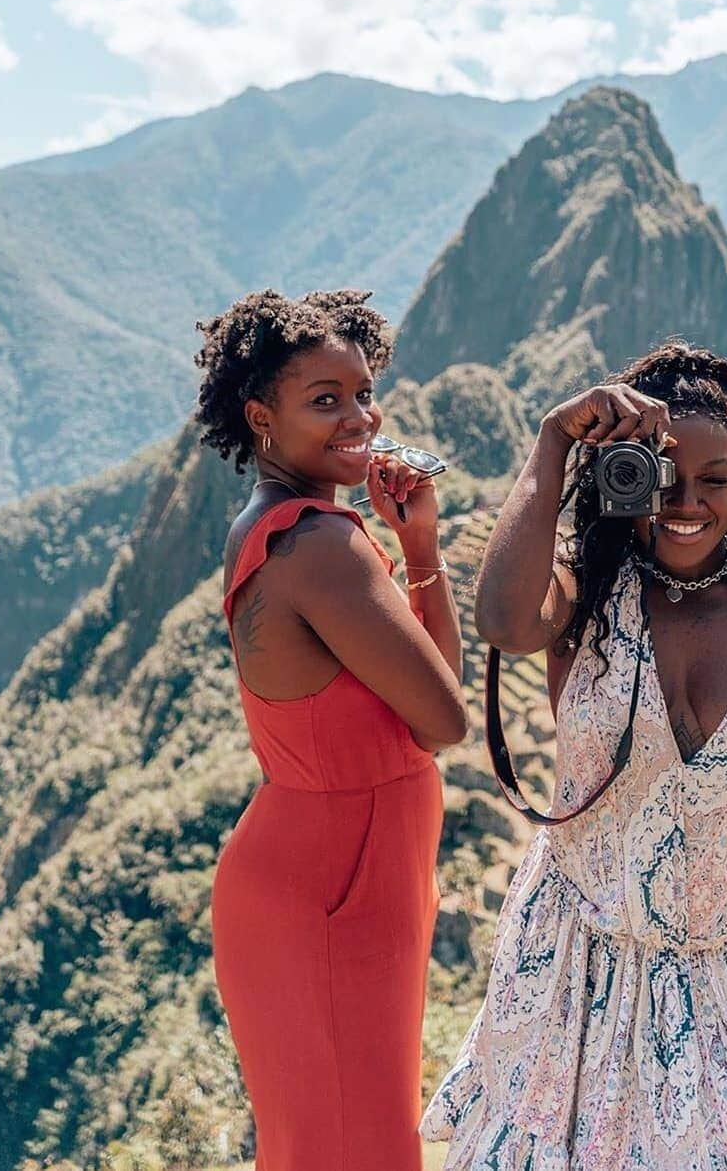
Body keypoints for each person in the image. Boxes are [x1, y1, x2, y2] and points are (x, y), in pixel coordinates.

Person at [422, 341, 727, 1170]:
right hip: (571, 980)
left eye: (715, 479)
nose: (687, 502)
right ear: (620, 473)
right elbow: (504, 622)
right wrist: (554, 440)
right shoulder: (584, 595)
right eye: (663, 474)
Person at [195, 287, 469, 1171]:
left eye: (362, 392)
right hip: (334, 889)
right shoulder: (321, 545)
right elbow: (446, 717)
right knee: (359, 1147)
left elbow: (434, 700)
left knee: (330, 1143)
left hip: (327, 872)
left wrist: (418, 549)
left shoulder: (280, 528)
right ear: (260, 418)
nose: (358, 416)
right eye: (325, 400)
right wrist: (407, 558)